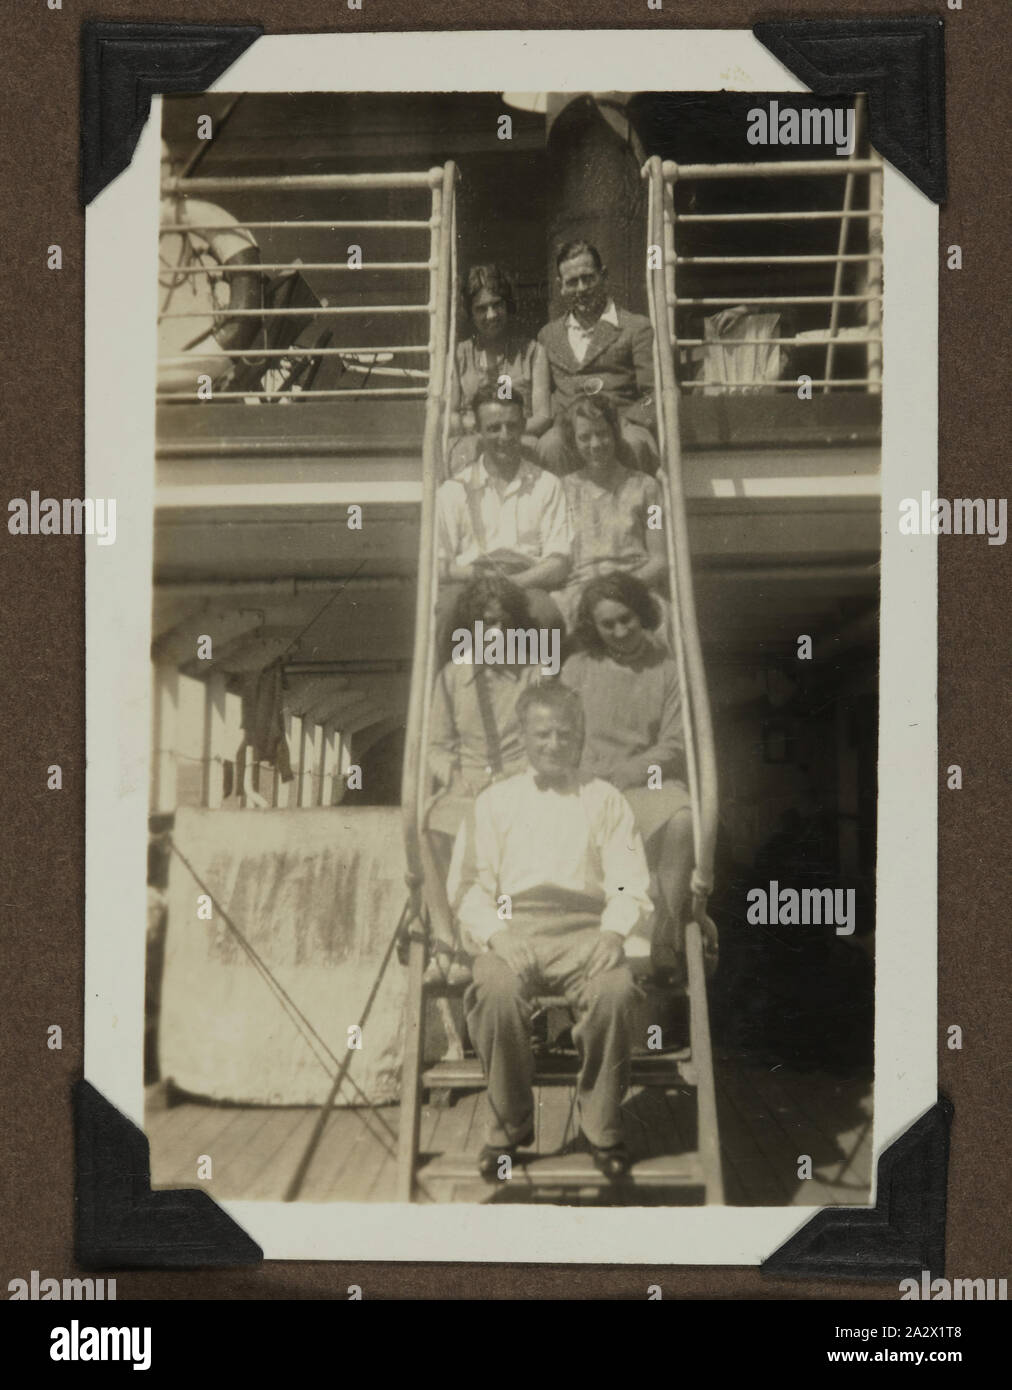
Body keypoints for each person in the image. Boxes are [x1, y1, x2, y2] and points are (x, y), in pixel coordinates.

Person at [448, 682, 651, 1180]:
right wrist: (498, 936)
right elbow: (469, 887)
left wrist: (613, 934)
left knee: (615, 990)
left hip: (586, 930)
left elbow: (629, 882)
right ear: (524, 736)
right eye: (543, 734)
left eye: (565, 734)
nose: (555, 744)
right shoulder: (494, 802)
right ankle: (509, 1125)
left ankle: (602, 1126)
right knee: (495, 990)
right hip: (514, 927)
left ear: (579, 737)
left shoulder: (604, 800)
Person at [562, 571, 700, 979]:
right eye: (608, 624)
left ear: (641, 613)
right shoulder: (577, 668)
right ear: (594, 627)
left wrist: (629, 771)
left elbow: (674, 742)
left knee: (683, 818)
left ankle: (667, 929)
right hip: (589, 782)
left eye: (627, 618)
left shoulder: (668, 669)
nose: (620, 630)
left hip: (646, 780)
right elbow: (566, 731)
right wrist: (587, 775)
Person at [423, 576, 543, 983]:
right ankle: (447, 941)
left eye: (503, 622)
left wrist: (516, 775)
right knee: (431, 828)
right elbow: (436, 746)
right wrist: (454, 776)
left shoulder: (534, 675)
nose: (495, 631)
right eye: (485, 622)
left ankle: (501, 942)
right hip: (468, 783)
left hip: (522, 783)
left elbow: (546, 741)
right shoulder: (451, 677)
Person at [435, 384, 569, 655]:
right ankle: (445, 690)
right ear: (478, 432)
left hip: (526, 581)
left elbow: (559, 562)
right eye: (494, 428)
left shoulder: (547, 484)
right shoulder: (453, 489)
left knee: (548, 618)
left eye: (511, 426)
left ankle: (548, 692)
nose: (504, 436)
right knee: (444, 614)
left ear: (523, 426)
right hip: (470, 580)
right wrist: (481, 577)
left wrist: (512, 583)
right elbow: (440, 565)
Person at [536, 240, 658, 476]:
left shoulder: (636, 328)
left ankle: (636, 510)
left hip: (621, 425)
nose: (581, 288)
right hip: (569, 431)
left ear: (604, 276)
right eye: (572, 282)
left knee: (634, 443)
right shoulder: (548, 336)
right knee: (548, 446)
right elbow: (543, 397)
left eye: (588, 278)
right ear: (561, 286)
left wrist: (628, 420)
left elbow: (654, 395)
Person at [551, 395, 668, 631]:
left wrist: (618, 589)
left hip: (635, 589)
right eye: (585, 437)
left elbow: (659, 560)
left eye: (602, 433)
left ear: (615, 433)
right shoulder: (560, 490)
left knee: (665, 623)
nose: (595, 444)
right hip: (579, 594)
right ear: (573, 442)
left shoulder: (648, 488)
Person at [447, 264, 551, 473]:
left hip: (521, 439)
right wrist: (484, 431)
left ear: (507, 305)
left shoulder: (533, 352)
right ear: (469, 312)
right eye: (481, 308)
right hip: (472, 440)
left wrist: (506, 432)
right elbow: (450, 414)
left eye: (497, 305)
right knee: (460, 453)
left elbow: (543, 416)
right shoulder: (459, 356)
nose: (491, 315)